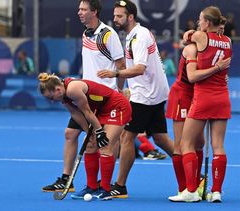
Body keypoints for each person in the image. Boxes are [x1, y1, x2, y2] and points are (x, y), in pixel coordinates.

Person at [42, 0, 126, 193]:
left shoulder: (108, 34)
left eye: (83, 9)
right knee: (71, 134)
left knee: (101, 142)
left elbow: (121, 66)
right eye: (79, 9)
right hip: (85, 96)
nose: (79, 12)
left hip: (104, 98)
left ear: (94, 12)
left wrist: (119, 91)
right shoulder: (85, 34)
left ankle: (103, 185)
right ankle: (66, 179)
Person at [97, 0, 174, 198]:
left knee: (126, 137)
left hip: (145, 95)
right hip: (152, 92)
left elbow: (140, 68)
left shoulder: (139, 37)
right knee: (160, 138)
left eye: (119, 16)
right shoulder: (134, 34)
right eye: (114, 15)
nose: (115, 19)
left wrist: (113, 75)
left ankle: (120, 185)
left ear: (130, 17)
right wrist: (120, 88)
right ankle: (193, 172)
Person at [168, 6, 232, 202]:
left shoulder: (199, 38)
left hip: (202, 97)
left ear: (207, 23)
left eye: (200, 19)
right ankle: (216, 191)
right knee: (218, 146)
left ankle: (190, 191)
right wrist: (219, 68)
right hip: (222, 97)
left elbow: (188, 37)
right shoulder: (228, 41)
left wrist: (214, 67)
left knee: (184, 144)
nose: (198, 22)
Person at [38, 72, 132, 200]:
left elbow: (87, 111)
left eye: (51, 97)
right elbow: (76, 115)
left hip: (116, 106)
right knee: (89, 144)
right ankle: (91, 186)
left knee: (105, 145)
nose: (52, 101)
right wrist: (89, 133)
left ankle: (105, 189)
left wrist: (98, 132)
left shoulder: (72, 89)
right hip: (101, 110)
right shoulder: (64, 96)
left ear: (58, 89)